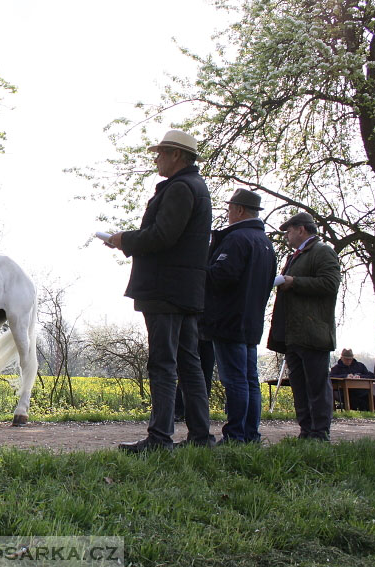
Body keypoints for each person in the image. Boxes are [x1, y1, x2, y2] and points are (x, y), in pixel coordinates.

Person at [108, 129, 215, 452]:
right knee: (189, 364)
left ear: (177, 156)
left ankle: (160, 437)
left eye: (161, 153)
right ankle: (199, 435)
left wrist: (123, 240)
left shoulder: (181, 188)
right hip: (184, 291)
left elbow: (162, 236)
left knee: (164, 363)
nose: (156, 158)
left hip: (165, 290)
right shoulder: (196, 187)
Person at [201, 188, 276, 444]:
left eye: (231, 207)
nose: (229, 211)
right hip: (252, 321)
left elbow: (221, 276)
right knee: (249, 380)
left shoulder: (237, 239)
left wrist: (201, 268)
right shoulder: (265, 243)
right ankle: (250, 433)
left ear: (240, 210)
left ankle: (235, 436)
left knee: (234, 380)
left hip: (228, 320)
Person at [267, 211, 341, 441]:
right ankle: (306, 431)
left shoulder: (323, 251)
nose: (287, 236)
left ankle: (320, 434)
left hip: (313, 332)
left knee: (317, 386)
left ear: (301, 229)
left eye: (289, 231)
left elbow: (330, 283)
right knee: (299, 386)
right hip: (294, 334)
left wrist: (294, 282)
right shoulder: (295, 256)